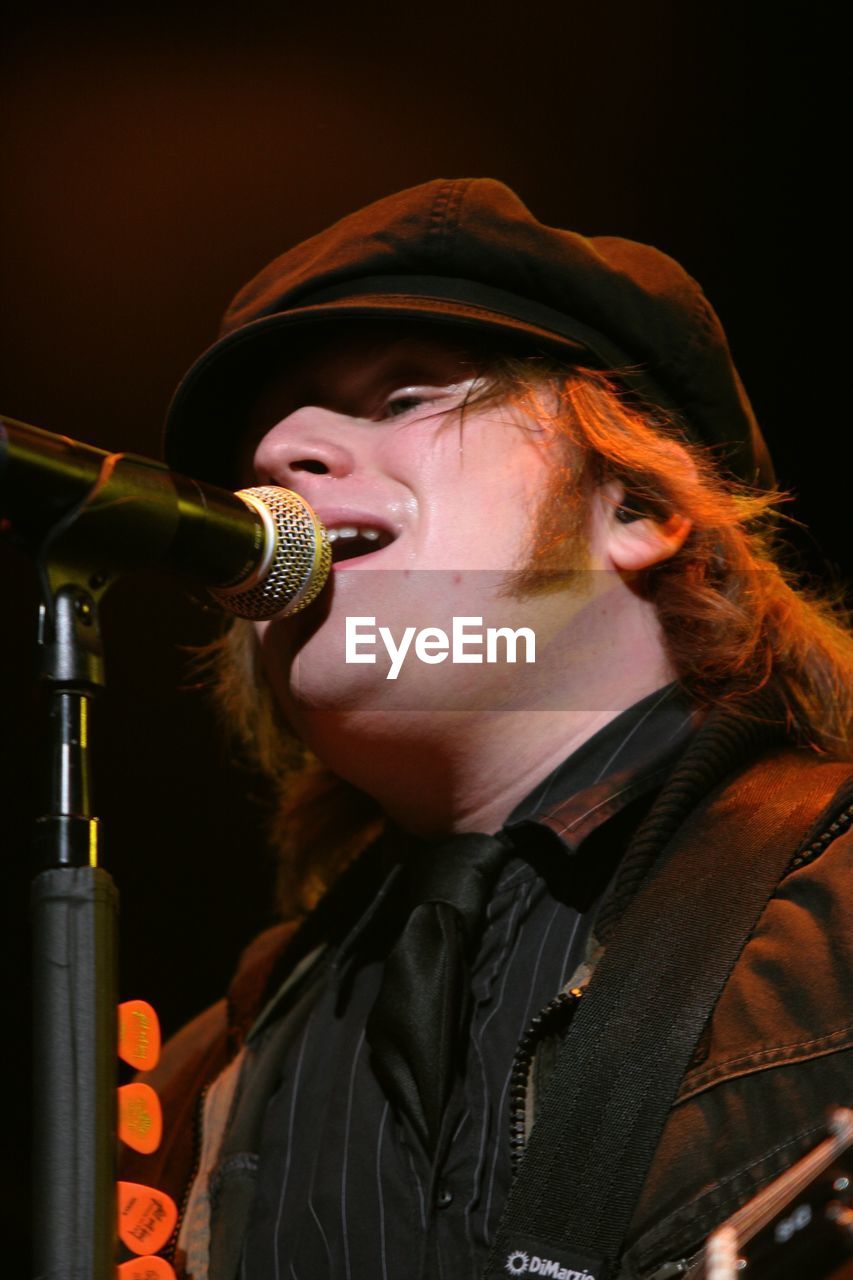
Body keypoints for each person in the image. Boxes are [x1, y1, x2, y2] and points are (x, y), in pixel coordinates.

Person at [120, 178, 853, 1280]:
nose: (281, 449)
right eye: (267, 439)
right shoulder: (197, 1083)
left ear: (639, 503)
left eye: (406, 396)